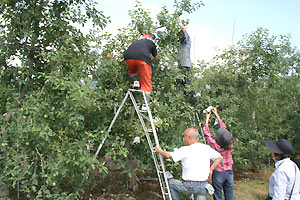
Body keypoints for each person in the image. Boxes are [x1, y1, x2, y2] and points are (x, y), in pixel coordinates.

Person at [155, 127, 223, 200]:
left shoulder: (186, 150)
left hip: (189, 185)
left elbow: (168, 155)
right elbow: (219, 158)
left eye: (185, 137)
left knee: (171, 184)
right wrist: (211, 169)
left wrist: (160, 151)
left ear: (190, 137)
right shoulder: (206, 148)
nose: (184, 139)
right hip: (203, 185)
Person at [203, 107, 234, 200]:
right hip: (229, 172)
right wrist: (217, 115)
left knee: (217, 196)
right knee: (229, 195)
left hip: (218, 173)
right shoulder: (229, 144)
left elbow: (206, 133)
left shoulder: (215, 146)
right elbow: (224, 131)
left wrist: (207, 118)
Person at [123, 34, 158, 105]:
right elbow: (156, 57)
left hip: (128, 57)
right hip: (143, 59)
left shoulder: (136, 41)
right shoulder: (151, 43)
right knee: (146, 83)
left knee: (132, 70)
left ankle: (135, 81)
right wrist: (153, 61)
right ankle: (145, 105)